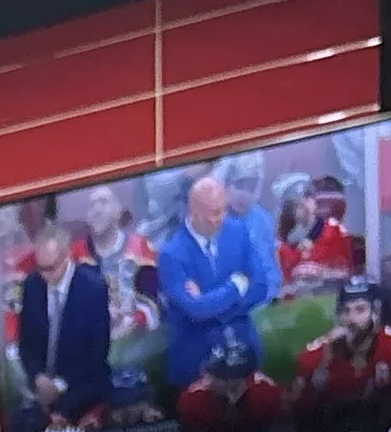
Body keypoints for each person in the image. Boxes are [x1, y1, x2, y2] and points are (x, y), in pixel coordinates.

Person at [156, 173, 263, 391]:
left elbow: (260, 286)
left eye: (223, 209)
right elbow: (195, 310)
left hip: (246, 352)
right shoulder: (171, 254)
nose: (220, 218)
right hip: (196, 364)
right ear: (193, 211)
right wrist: (236, 285)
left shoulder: (238, 231)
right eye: (213, 213)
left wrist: (209, 300)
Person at [15, 212, 113, 429]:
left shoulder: (92, 289)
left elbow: (96, 356)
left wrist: (59, 388)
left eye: (50, 268)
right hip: (40, 390)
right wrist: (38, 377)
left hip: (82, 388)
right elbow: (26, 344)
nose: (44, 276)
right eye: (40, 268)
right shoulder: (32, 285)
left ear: (67, 256)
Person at [295, 273, 391, 408]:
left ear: (376, 312)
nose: (351, 319)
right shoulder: (316, 353)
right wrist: (324, 363)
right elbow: (297, 408)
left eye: (360, 309)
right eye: (346, 311)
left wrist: (386, 394)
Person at [75, 181, 159, 337]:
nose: (97, 209)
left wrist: (128, 320)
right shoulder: (76, 255)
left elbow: (154, 305)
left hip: (135, 341)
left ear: (118, 211)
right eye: (91, 205)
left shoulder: (141, 249)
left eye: (104, 202)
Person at [175, 330, 283, 432]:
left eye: (238, 377)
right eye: (224, 377)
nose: (231, 384)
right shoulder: (193, 400)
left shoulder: (266, 392)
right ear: (208, 374)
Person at [218, 154, 284, 309]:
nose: (244, 195)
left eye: (251, 188)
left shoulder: (263, 218)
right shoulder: (214, 221)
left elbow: (274, 259)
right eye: (239, 186)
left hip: (272, 301)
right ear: (226, 186)